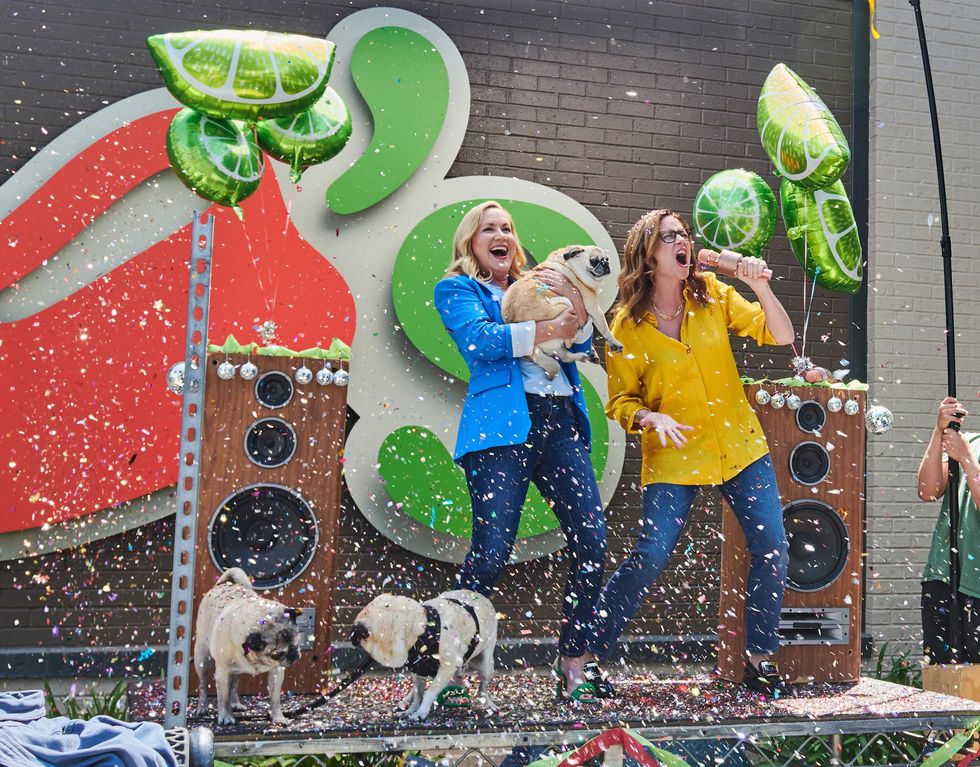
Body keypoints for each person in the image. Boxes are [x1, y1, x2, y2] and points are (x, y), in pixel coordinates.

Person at [583, 208, 795, 694]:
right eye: (669, 236)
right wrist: (648, 417)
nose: (682, 241)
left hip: (739, 447)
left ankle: (759, 661)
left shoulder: (713, 295)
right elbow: (620, 402)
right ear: (648, 254)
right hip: (675, 455)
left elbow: (779, 335)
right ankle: (588, 654)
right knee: (652, 554)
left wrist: (760, 285)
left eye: (683, 234)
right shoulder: (626, 327)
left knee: (772, 548)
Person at [433, 201, 609, 704]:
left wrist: (576, 315)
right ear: (471, 242)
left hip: (559, 425)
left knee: (592, 542)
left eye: (507, 228)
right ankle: (447, 666)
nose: (500, 234)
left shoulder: (540, 281)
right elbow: (480, 342)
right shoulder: (458, 289)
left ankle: (574, 662)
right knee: (490, 555)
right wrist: (553, 327)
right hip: (502, 431)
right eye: (489, 228)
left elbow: (585, 340)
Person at [919, 396, 980, 663]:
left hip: (976, 587)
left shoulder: (967, 449)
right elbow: (927, 491)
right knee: (943, 679)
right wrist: (939, 430)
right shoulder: (971, 442)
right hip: (943, 577)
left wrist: (966, 458)